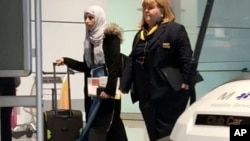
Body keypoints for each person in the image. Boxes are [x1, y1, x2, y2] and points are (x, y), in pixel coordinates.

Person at [119, 0, 193, 141]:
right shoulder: (140, 35)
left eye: (151, 7)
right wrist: (124, 86)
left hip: (168, 92)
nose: (146, 11)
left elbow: (186, 58)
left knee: (166, 133)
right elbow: (132, 60)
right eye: (145, 8)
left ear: (162, 10)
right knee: (153, 132)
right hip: (145, 94)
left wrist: (185, 81)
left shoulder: (175, 30)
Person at [55, 5, 128, 141]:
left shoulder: (110, 37)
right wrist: (66, 61)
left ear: (98, 18)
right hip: (93, 89)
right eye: (85, 18)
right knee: (99, 122)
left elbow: (114, 66)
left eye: (91, 18)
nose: (87, 21)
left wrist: (110, 90)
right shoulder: (89, 41)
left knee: (107, 122)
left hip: (107, 88)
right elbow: (87, 67)